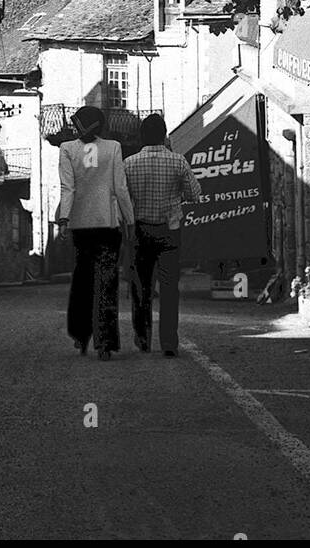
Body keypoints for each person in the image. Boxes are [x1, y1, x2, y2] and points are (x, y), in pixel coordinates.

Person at [56, 106, 135, 360]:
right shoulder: (113, 147)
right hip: (107, 224)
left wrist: (64, 219)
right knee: (107, 282)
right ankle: (105, 341)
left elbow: (67, 188)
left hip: (80, 224)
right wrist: (130, 219)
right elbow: (120, 187)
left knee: (82, 281)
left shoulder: (67, 149)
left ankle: (81, 336)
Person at [123, 114, 202, 358]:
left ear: (141, 136)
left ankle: (143, 337)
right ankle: (169, 341)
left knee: (141, 287)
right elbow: (194, 194)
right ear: (165, 135)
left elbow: (123, 201)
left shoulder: (129, 163)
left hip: (141, 230)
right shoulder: (178, 161)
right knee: (169, 289)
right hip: (170, 231)